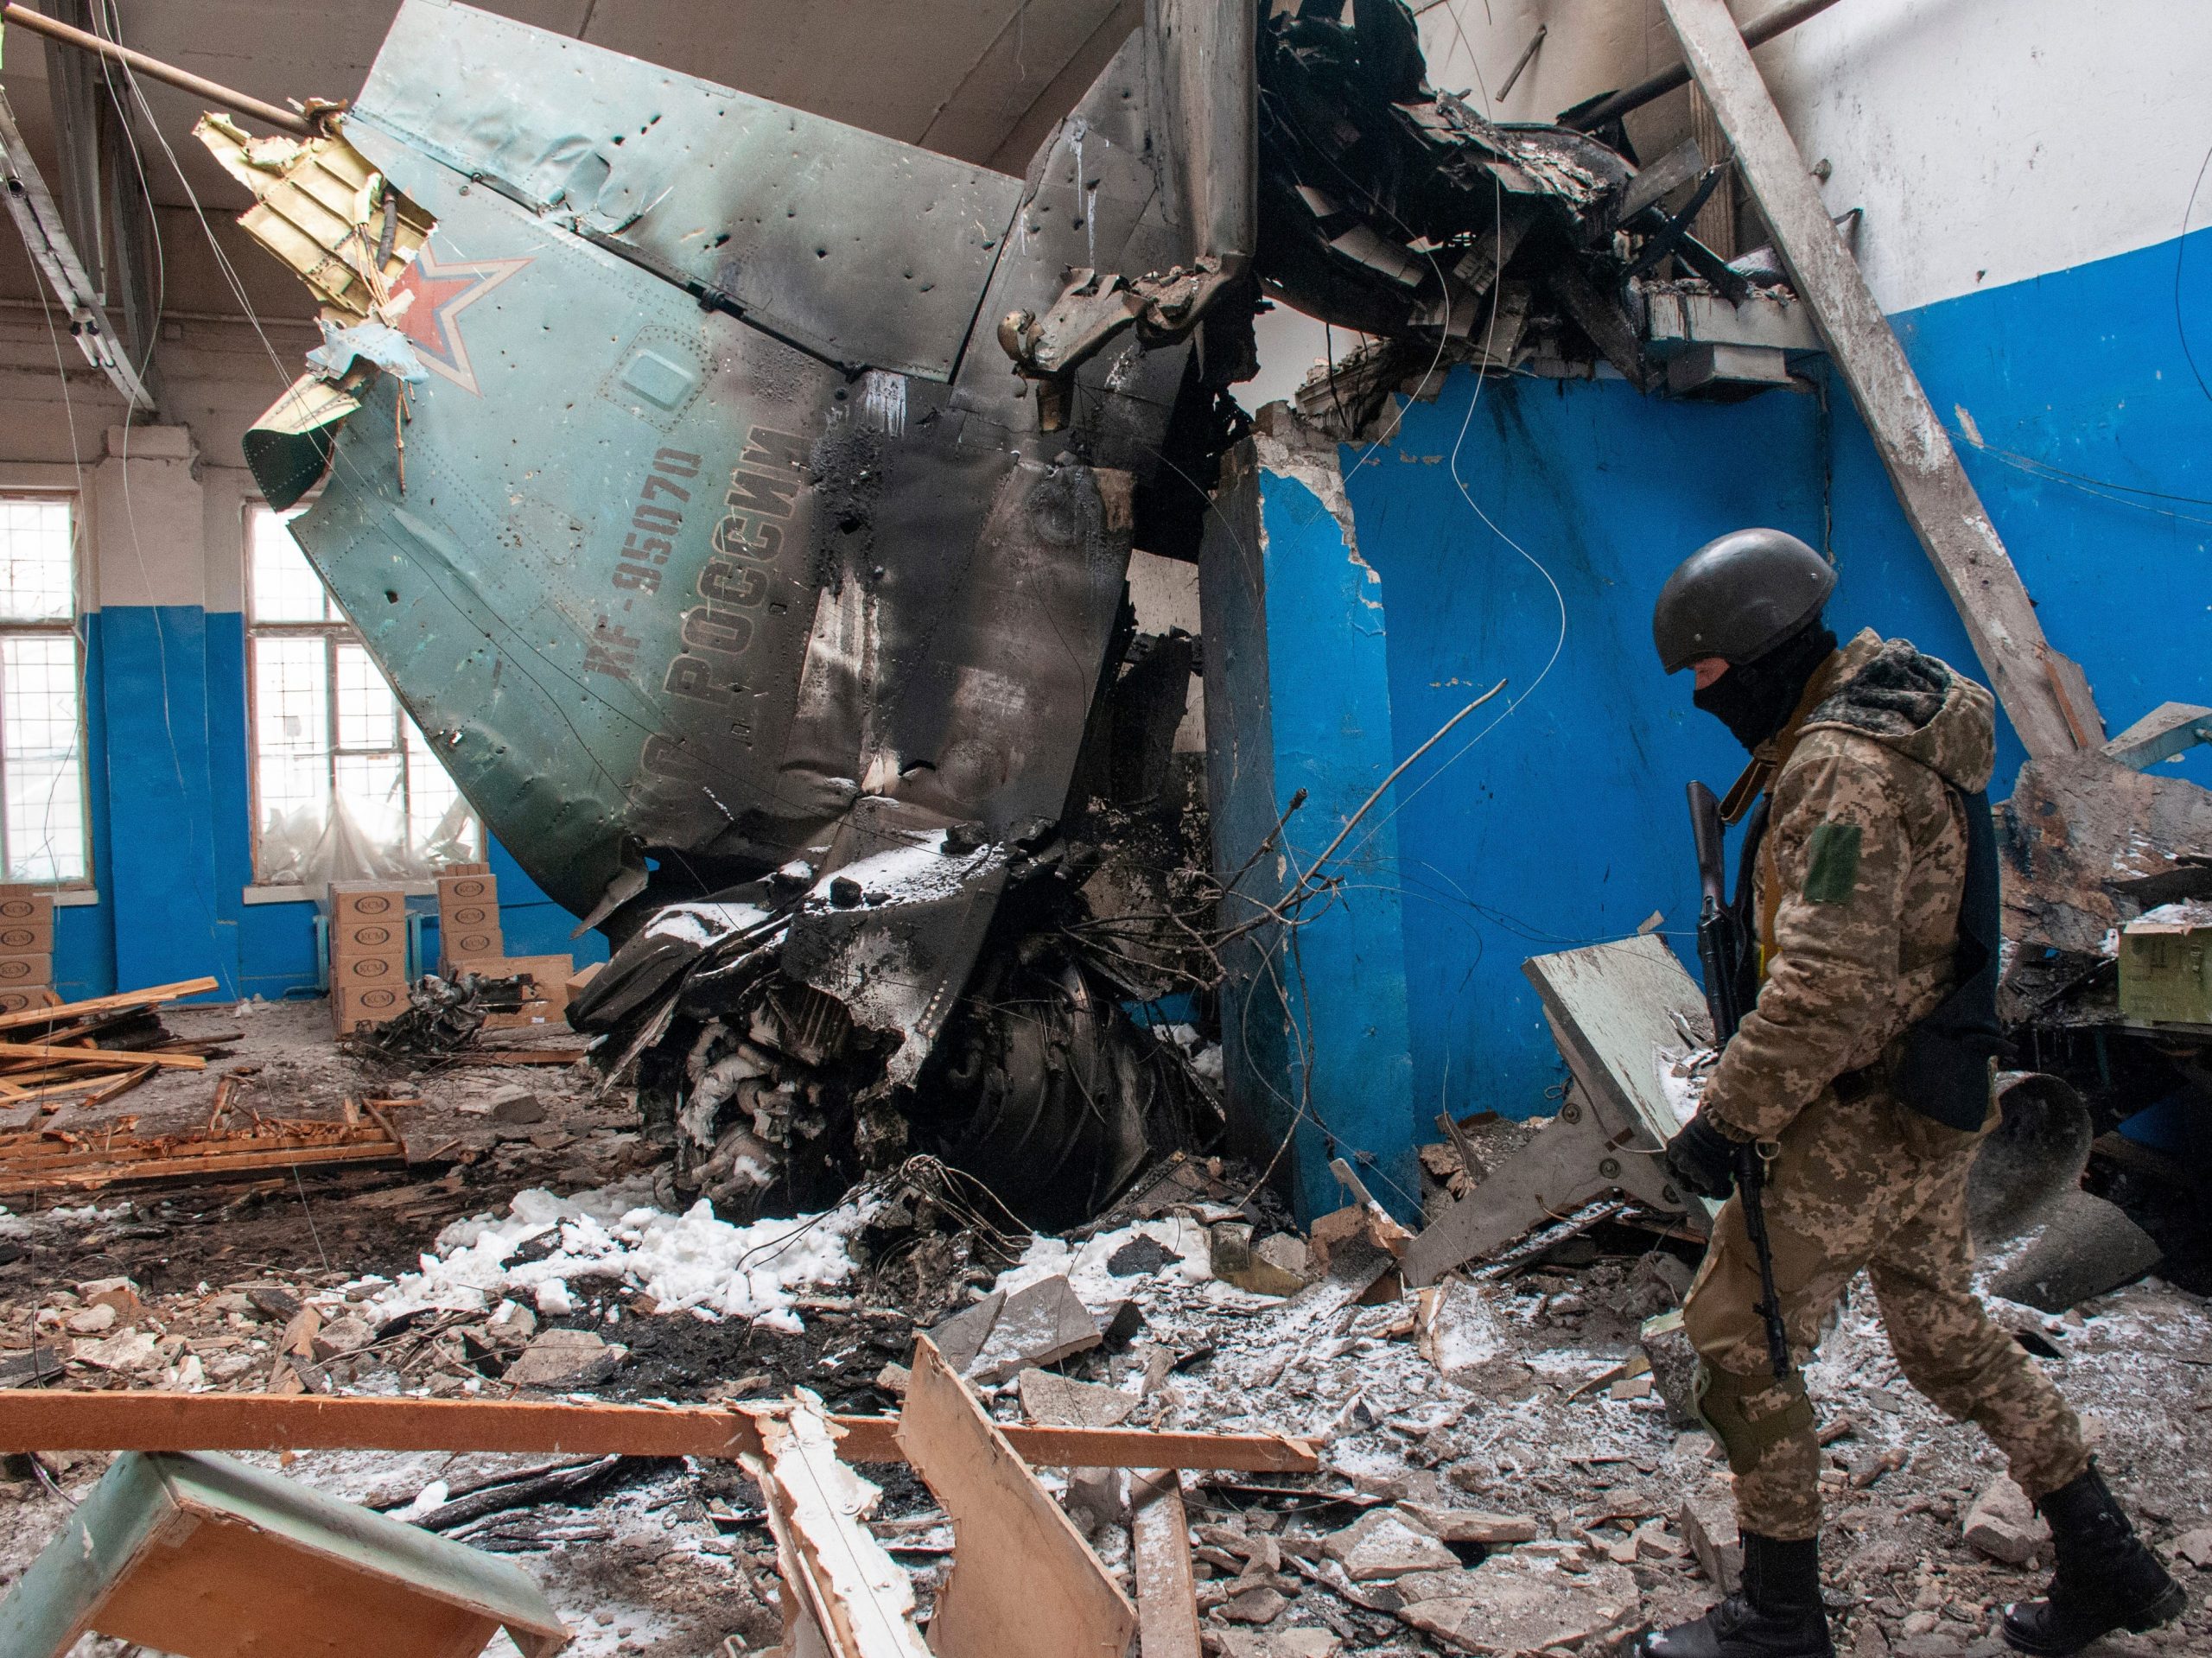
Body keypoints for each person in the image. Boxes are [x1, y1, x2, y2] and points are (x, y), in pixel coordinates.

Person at [1631, 529, 2183, 1658]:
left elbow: (1827, 983)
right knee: (1940, 1332)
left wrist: (1724, 1120)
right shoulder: (1910, 712)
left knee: (1733, 1339)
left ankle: (1779, 1616)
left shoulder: (1839, 771)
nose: (1700, 696)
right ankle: (2106, 1557)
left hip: (1853, 1118)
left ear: (1764, 650)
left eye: (1709, 672)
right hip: (1934, 1092)